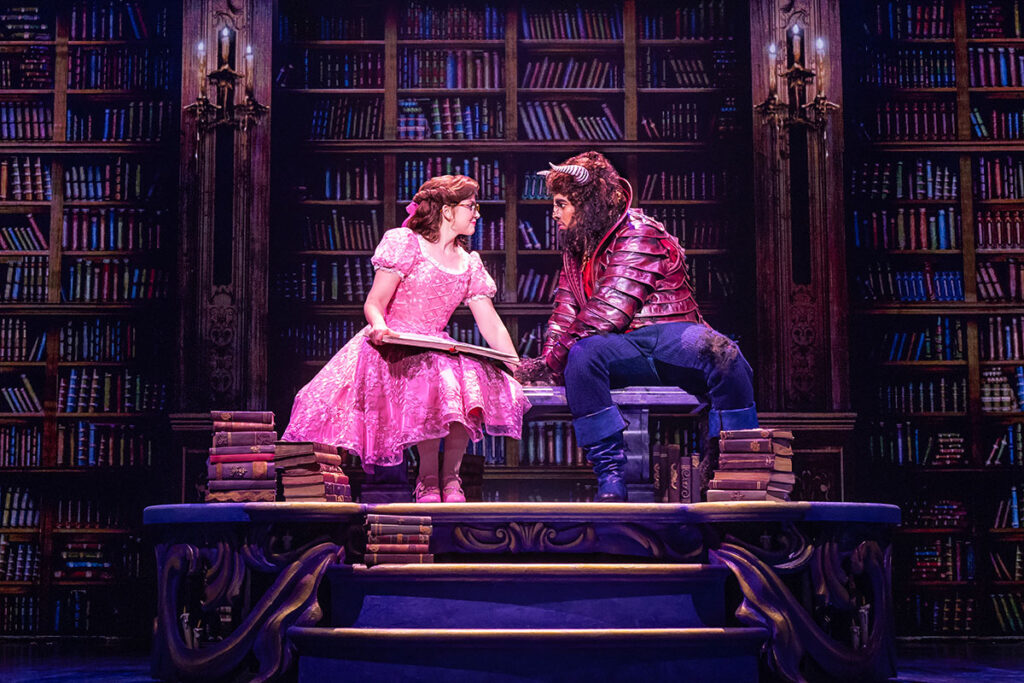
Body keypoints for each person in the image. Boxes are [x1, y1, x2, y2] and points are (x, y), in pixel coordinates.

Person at [515, 151, 758, 502]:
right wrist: (548, 364)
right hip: (622, 345)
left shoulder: (639, 231)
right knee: (582, 356)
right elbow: (566, 313)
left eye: (562, 204)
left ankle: (735, 463)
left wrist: (549, 363)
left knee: (724, 354)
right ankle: (610, 475)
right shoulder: (577, 248)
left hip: (667, 332)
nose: (554, 213)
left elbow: (608, 312)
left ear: (587, 203)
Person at [283, 175, 530, 503]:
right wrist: (379, 326)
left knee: (465, 376)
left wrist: (514, 364)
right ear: (446, 210)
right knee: (430, 375)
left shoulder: (469, 263)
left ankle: (451, 478)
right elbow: (374, 302)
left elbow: (491, 324)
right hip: (394, 344)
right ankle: (427, 478)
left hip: (434, 344)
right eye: (471, 206)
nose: (477, 213)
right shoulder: (406, 244)